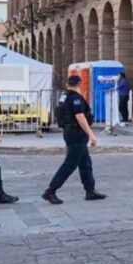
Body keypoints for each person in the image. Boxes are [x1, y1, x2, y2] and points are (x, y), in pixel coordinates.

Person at [42, 75, 106, 204]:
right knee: (70, 164)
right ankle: (50, 191)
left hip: (70, 132)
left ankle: (90, 190)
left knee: (85, 163)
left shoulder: (64, 96)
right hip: (77, 133)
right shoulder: (76, 98)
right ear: (79, 84)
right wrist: (91, 134)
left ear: (68, 84)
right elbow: (80, 116)